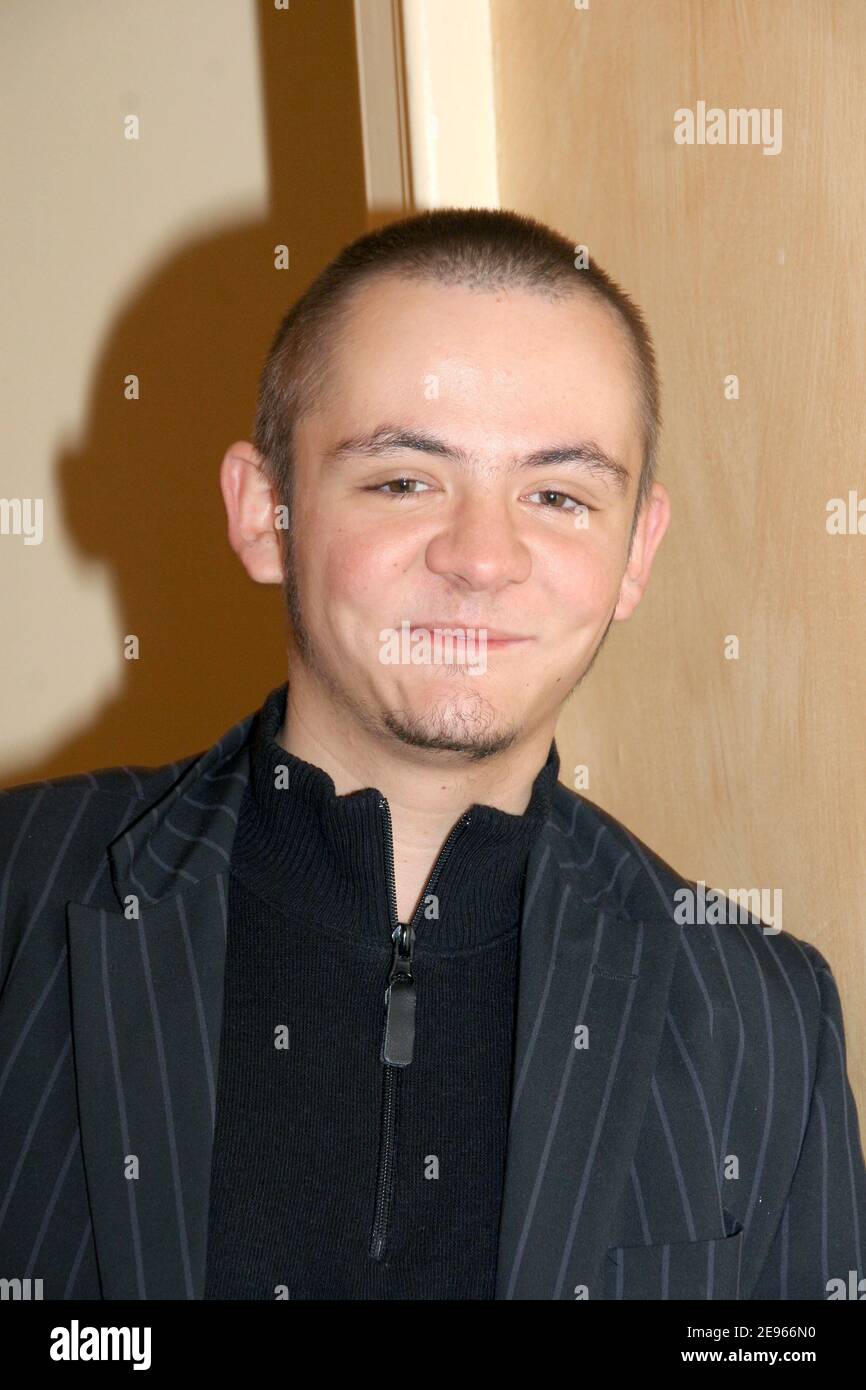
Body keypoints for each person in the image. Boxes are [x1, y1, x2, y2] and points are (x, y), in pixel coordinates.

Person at [1, 207, 863, 1301]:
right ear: (265, 511)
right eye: (403, 480)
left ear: (634, 552)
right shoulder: (22, 898)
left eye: (557, 495)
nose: (481, 558)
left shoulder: (761, 1019)